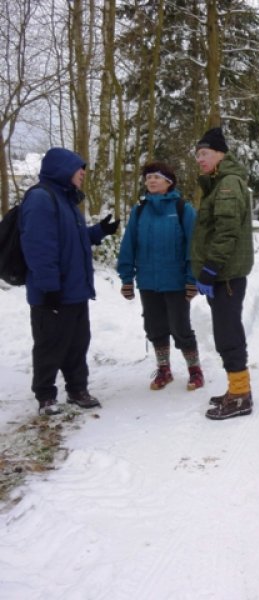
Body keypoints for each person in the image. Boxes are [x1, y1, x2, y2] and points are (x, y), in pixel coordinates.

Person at [19, 148, 119, 415]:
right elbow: (39, 247)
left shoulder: (66, 201)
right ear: (63, 169)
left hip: (74, 290)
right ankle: (46, 396)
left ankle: (77, 389)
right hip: (53, 292)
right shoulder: (41, 198)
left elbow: (72, 240)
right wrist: (49, 287)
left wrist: (99, 231)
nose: (83, 173)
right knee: (50, 345)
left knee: (77, 344)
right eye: (79, 168)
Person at [117, 161, 204, 392]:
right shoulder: (139, 211)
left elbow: (194, 247)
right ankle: (164, 369)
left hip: (176, 282)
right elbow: (129, 245)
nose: (151, 181)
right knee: (154, 327)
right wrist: (126, 278)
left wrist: (192, 279)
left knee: (180, 327)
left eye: (156, 177)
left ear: (168, 181)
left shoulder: (182, 209)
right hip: (148, 281)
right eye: (148, 178)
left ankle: (195, 370)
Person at [191, 127, 254, 420]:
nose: (200, 159)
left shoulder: (227, 183)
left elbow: (227, 231)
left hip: (225, 275)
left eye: (205, 153)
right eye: (197, 155)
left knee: (228, 333)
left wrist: (210, 268)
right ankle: (237, 388)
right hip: (222, 274)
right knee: (225, 331)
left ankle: (241, 396)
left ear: (220, 154)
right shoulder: (218, 183)